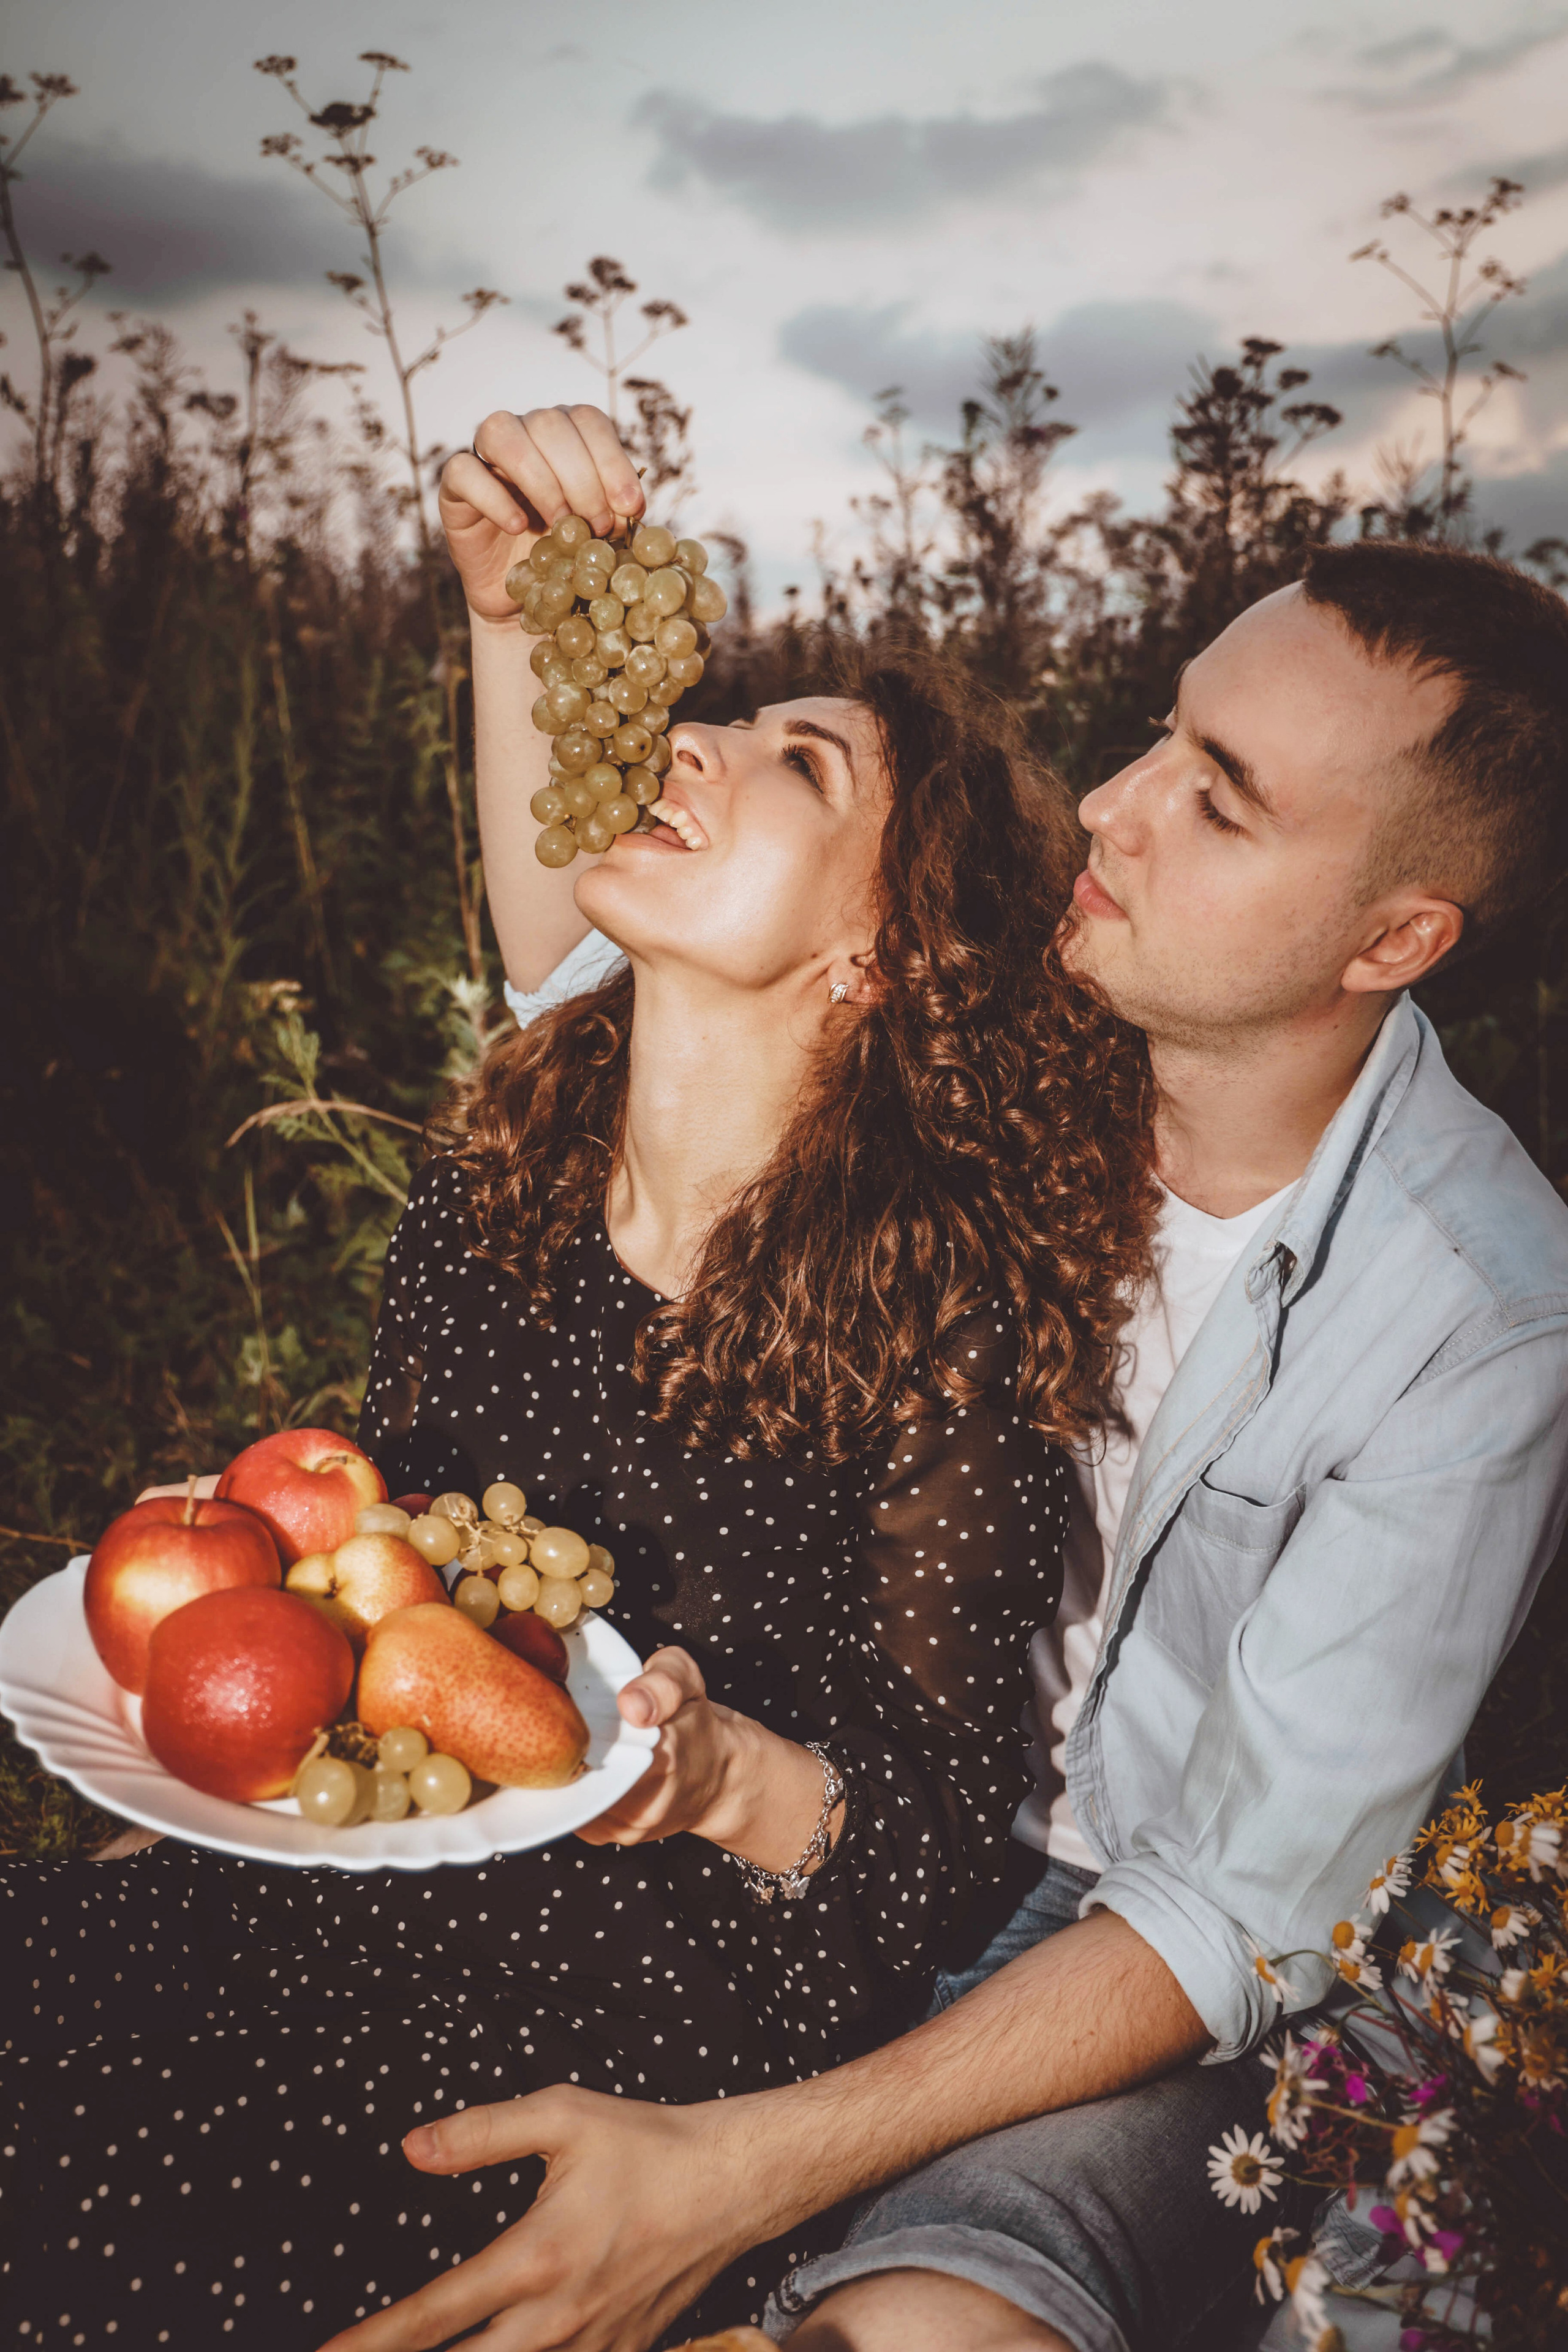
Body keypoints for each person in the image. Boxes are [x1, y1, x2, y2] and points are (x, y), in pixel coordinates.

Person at [321, 439, 1568, 2352]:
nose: (1114, 805)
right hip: (830, 1826)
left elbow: (1238, 1911)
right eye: (1162, 735)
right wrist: (514, 629)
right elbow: (604, 989)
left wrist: (744, 2167)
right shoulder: (1036, 1001)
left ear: (1394, 944)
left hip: (1122, 1946)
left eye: (1219, 805)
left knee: (920, 2325)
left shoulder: (1483, 1319)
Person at [0, 413, 1161, 2350]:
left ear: (882, 951)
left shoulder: (933, 1320)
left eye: (797, 762)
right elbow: (384, 1557)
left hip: (638, 2015)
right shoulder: (502, 1174)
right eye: (716, 716)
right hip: (343, 1879)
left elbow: (936, 1844)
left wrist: (715, 1775)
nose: (688, 738)